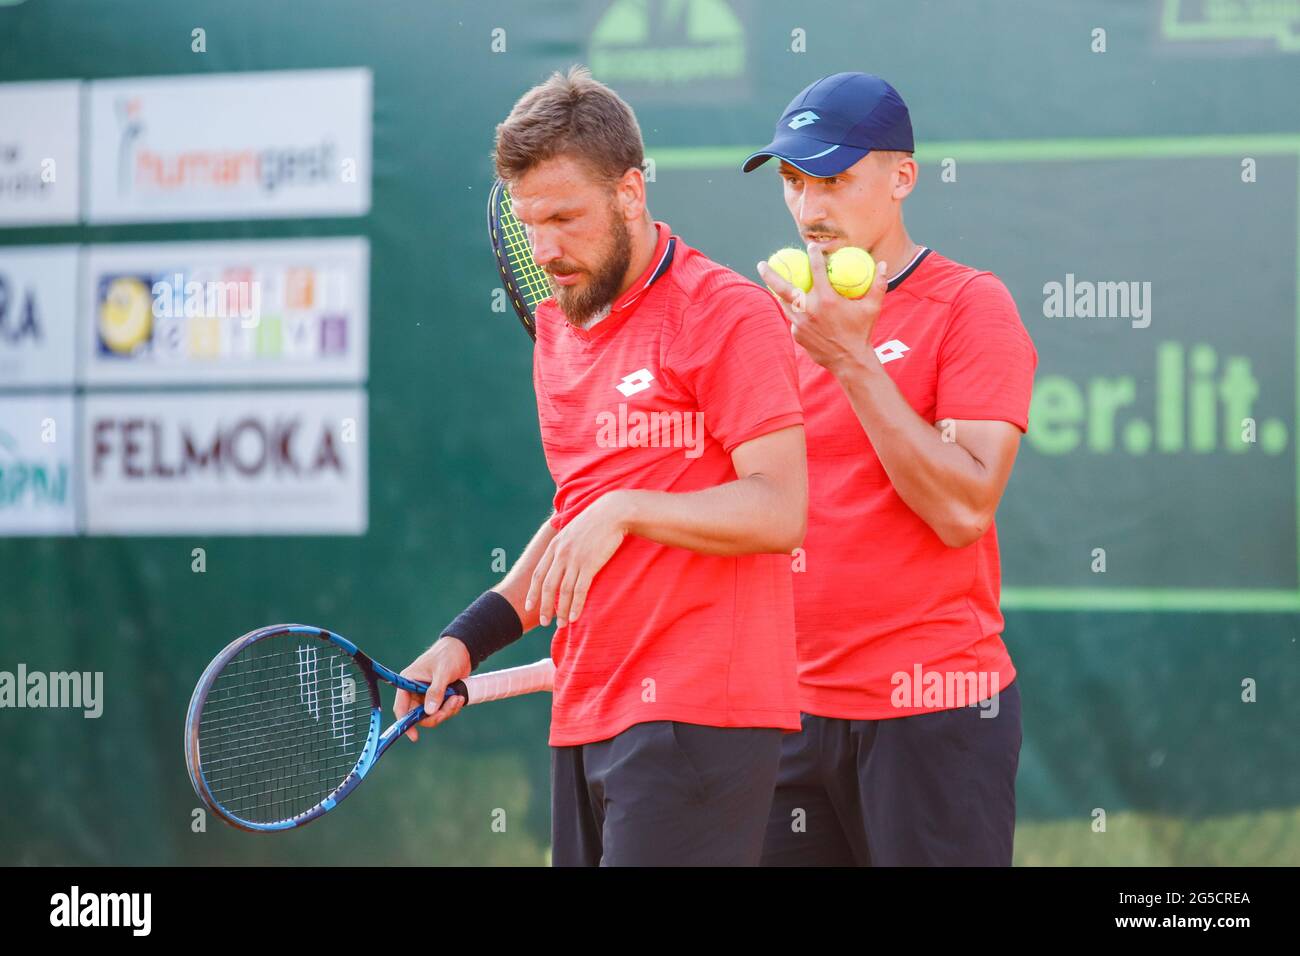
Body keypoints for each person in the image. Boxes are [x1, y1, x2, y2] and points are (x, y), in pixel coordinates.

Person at [396, 66, 808, 866]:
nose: (545, 249)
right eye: (528, 223)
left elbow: (779, 507)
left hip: (699, 722)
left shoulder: (725, 314)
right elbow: (578, 514)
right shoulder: (558, 331)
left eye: (564, 217)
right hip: (585, 712)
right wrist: (468, 639)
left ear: (629, 192)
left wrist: (628, 507)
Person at [748, 72, 1037, 866]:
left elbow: (963, 509)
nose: (810, 208)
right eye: (793, 181)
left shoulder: (973, 306)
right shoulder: (767, 323)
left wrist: (851, 361)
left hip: (936, 715)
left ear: (902, 177)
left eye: (834, 178)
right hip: (788, 718)